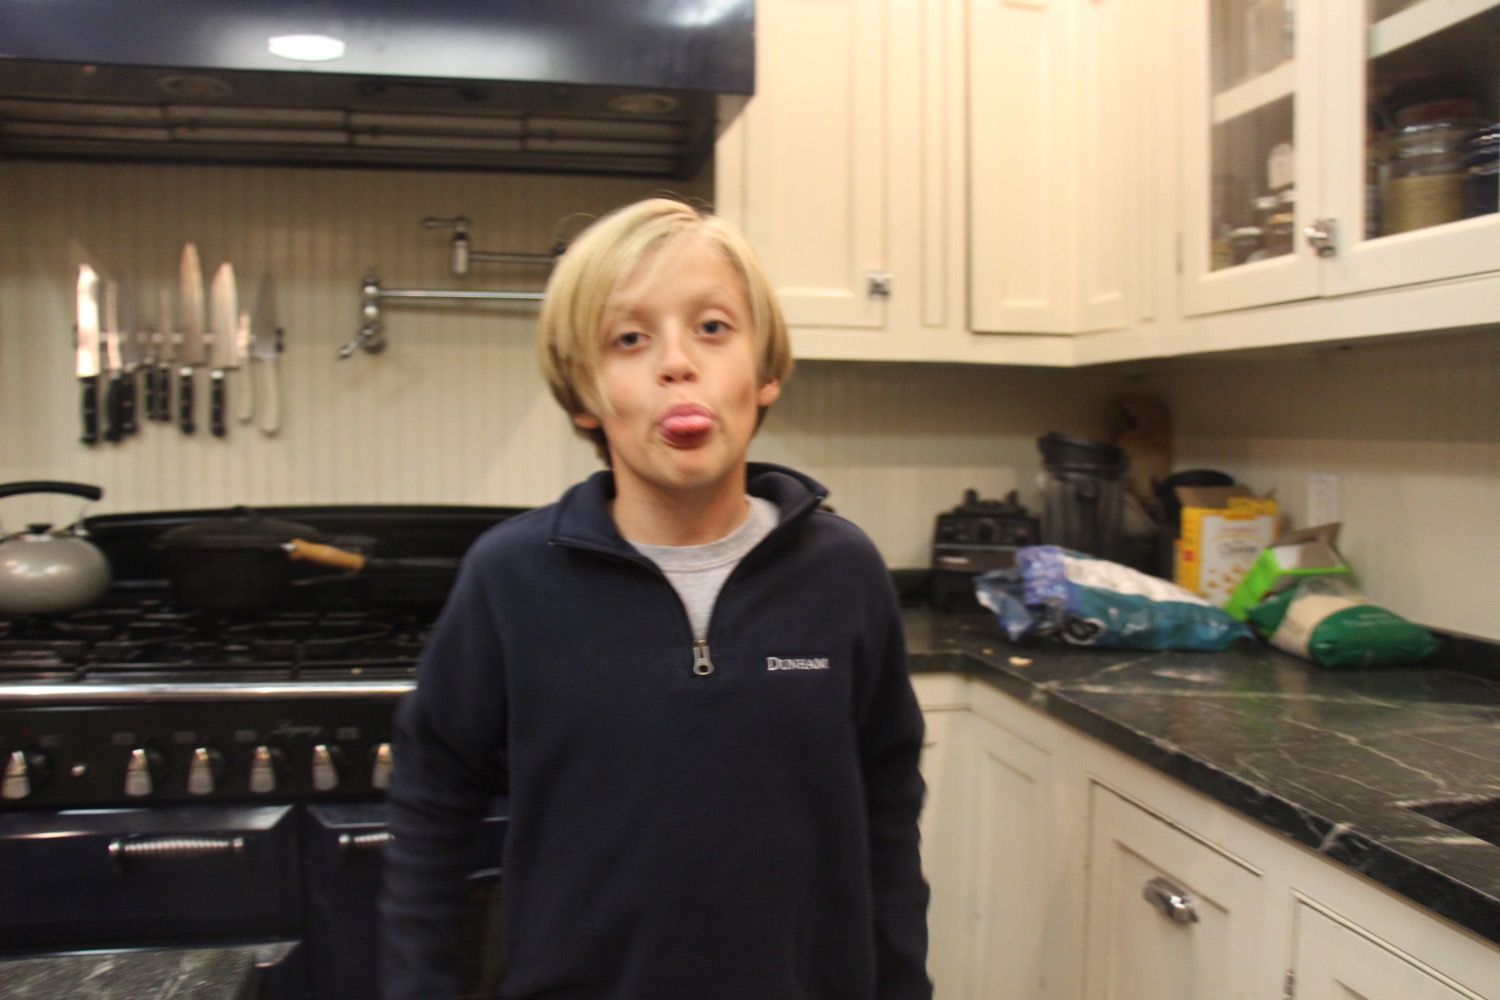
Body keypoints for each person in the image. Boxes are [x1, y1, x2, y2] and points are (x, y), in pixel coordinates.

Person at [380, 197, 932, 1000]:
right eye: (629, 339)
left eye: (712, 327)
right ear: (584, 393)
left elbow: (889, 809)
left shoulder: (844, 572)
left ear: (766, 372)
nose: (677, 363)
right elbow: (431, 801)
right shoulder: (510, 578)